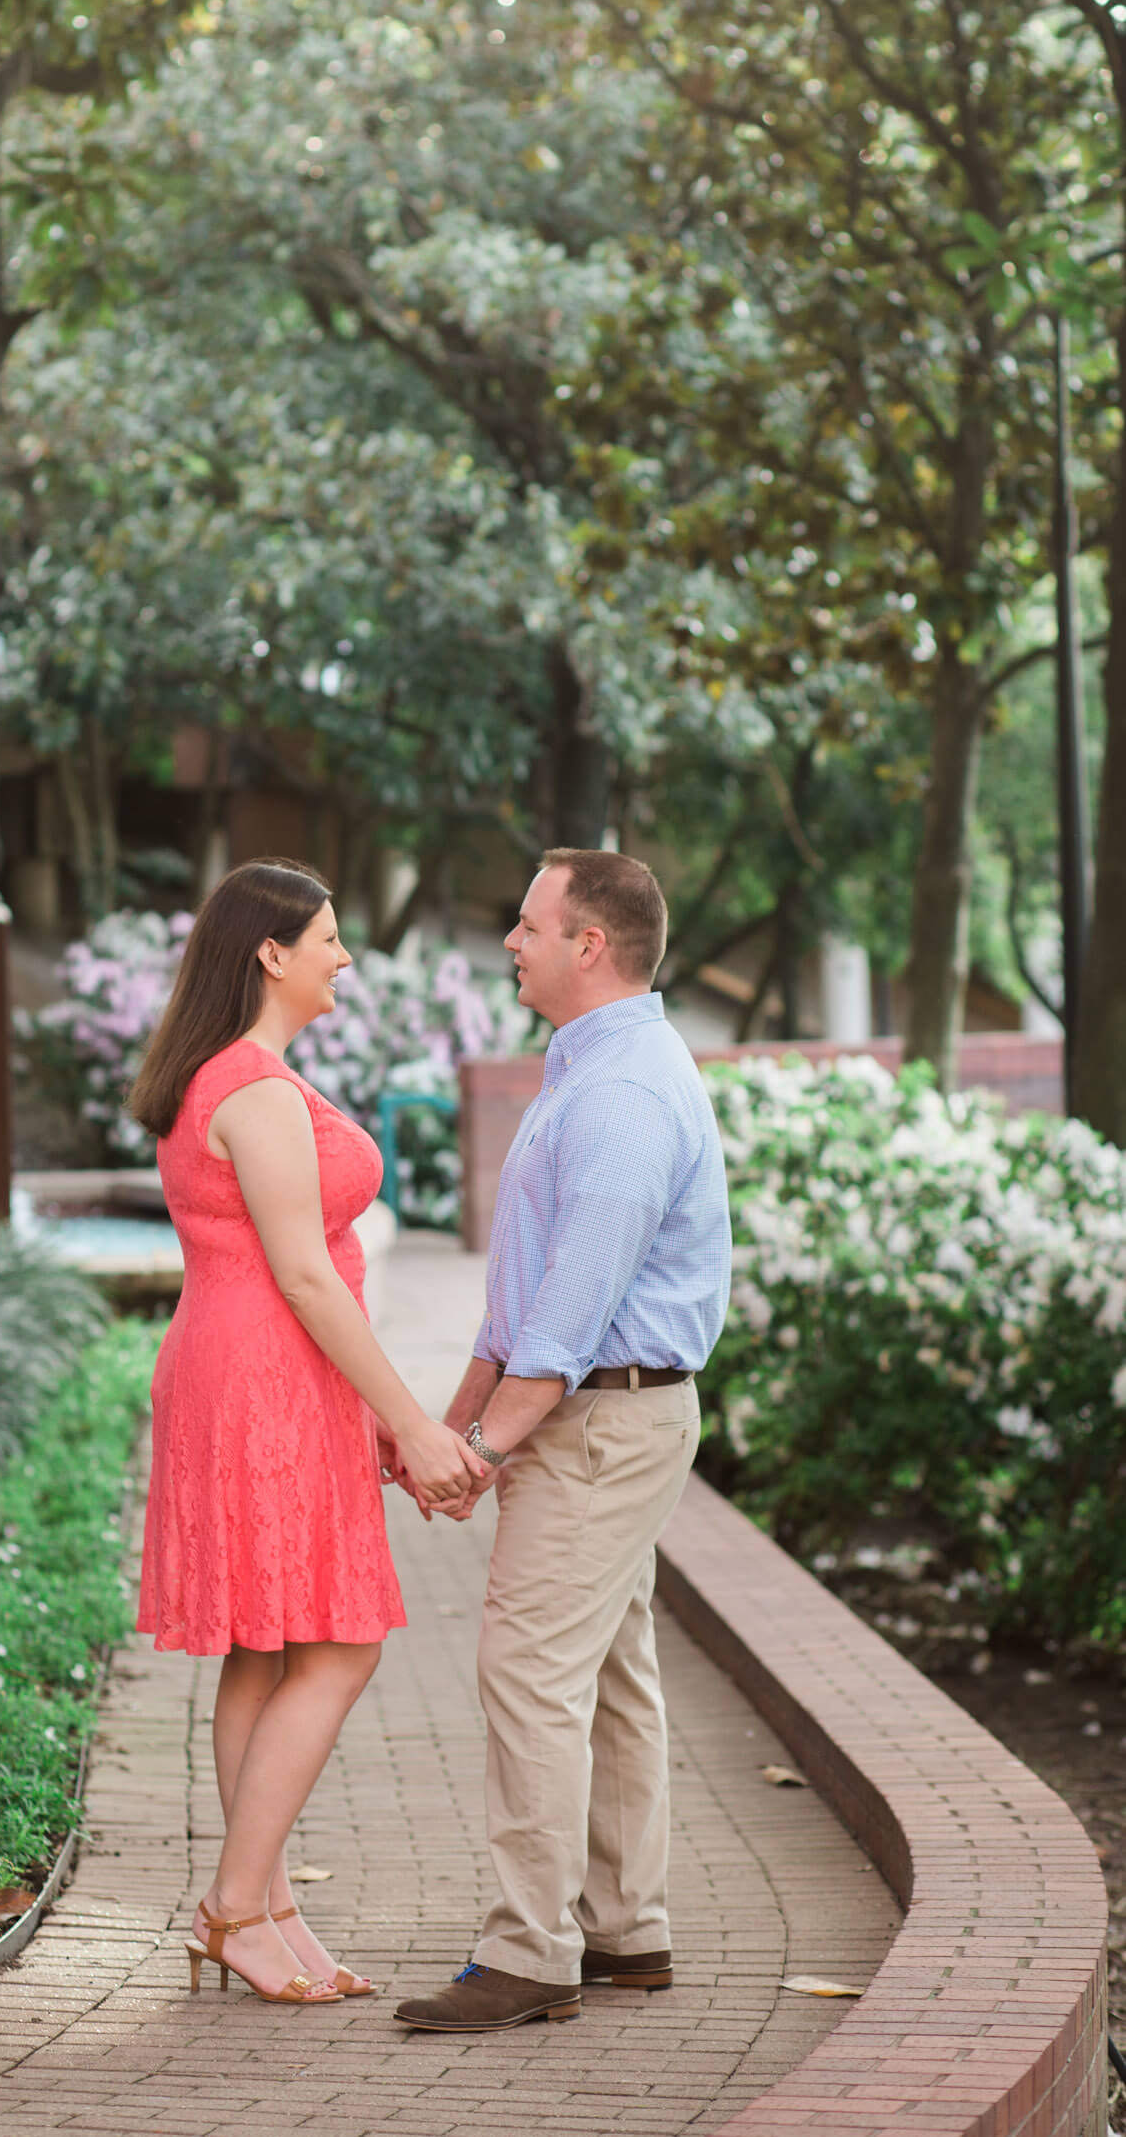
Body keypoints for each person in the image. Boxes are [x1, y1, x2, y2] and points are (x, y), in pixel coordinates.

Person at [132, 858, 485, 2008]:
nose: (344, 956)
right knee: (340, 1644)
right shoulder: (256, 1090)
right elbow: (307, 1279)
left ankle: (270, 1909)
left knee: (267, 1644)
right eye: (328, 938)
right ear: (270, 953)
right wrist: (412, 1422)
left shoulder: (216, 1078)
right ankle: (236, 1902)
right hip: (266, 1378)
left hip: (242, 1370)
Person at [392, 850, 732, 2033]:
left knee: (528, 1671)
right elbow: (523, 1300)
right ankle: (626, 1930)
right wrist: (451, 1422)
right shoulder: (586, 1066)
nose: (510, 942)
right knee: (613, 1672)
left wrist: (477, 1453)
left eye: (528, 924)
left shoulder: (625, 1094)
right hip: (596, 1412)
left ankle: (532, 1951)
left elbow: (569, 1324)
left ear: (590, 944)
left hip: (605, 1417)